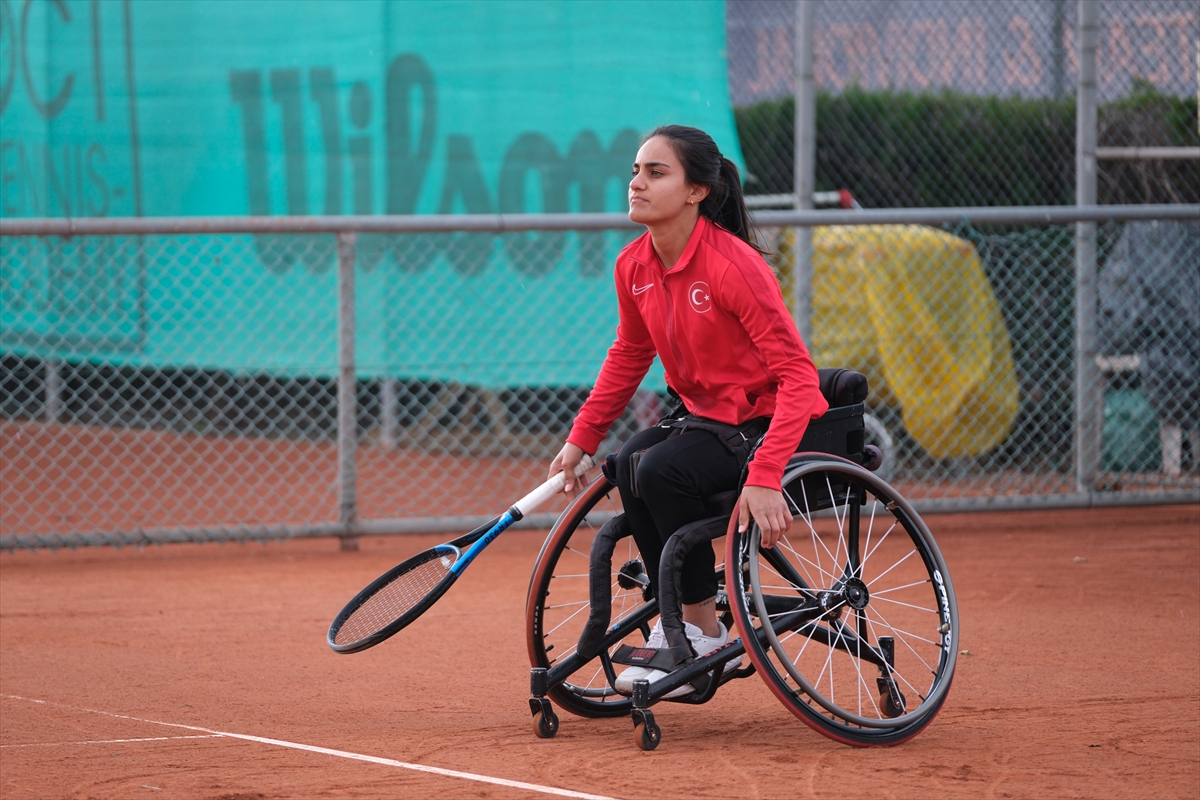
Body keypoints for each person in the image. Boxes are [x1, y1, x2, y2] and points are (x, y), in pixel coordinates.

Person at [547, 125, 829, 696]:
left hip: (763, 423)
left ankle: (704, 634)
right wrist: (583, 438)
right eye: (635, 171)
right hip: (706, 419)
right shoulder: (634, 266)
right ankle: (685, 620)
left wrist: (767, 474)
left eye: (656, 172)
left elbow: (799, 376)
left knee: (659, 468)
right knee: (628, 461)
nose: (637, 183)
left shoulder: (734, 266)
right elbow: (629, 353)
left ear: (696, 190)